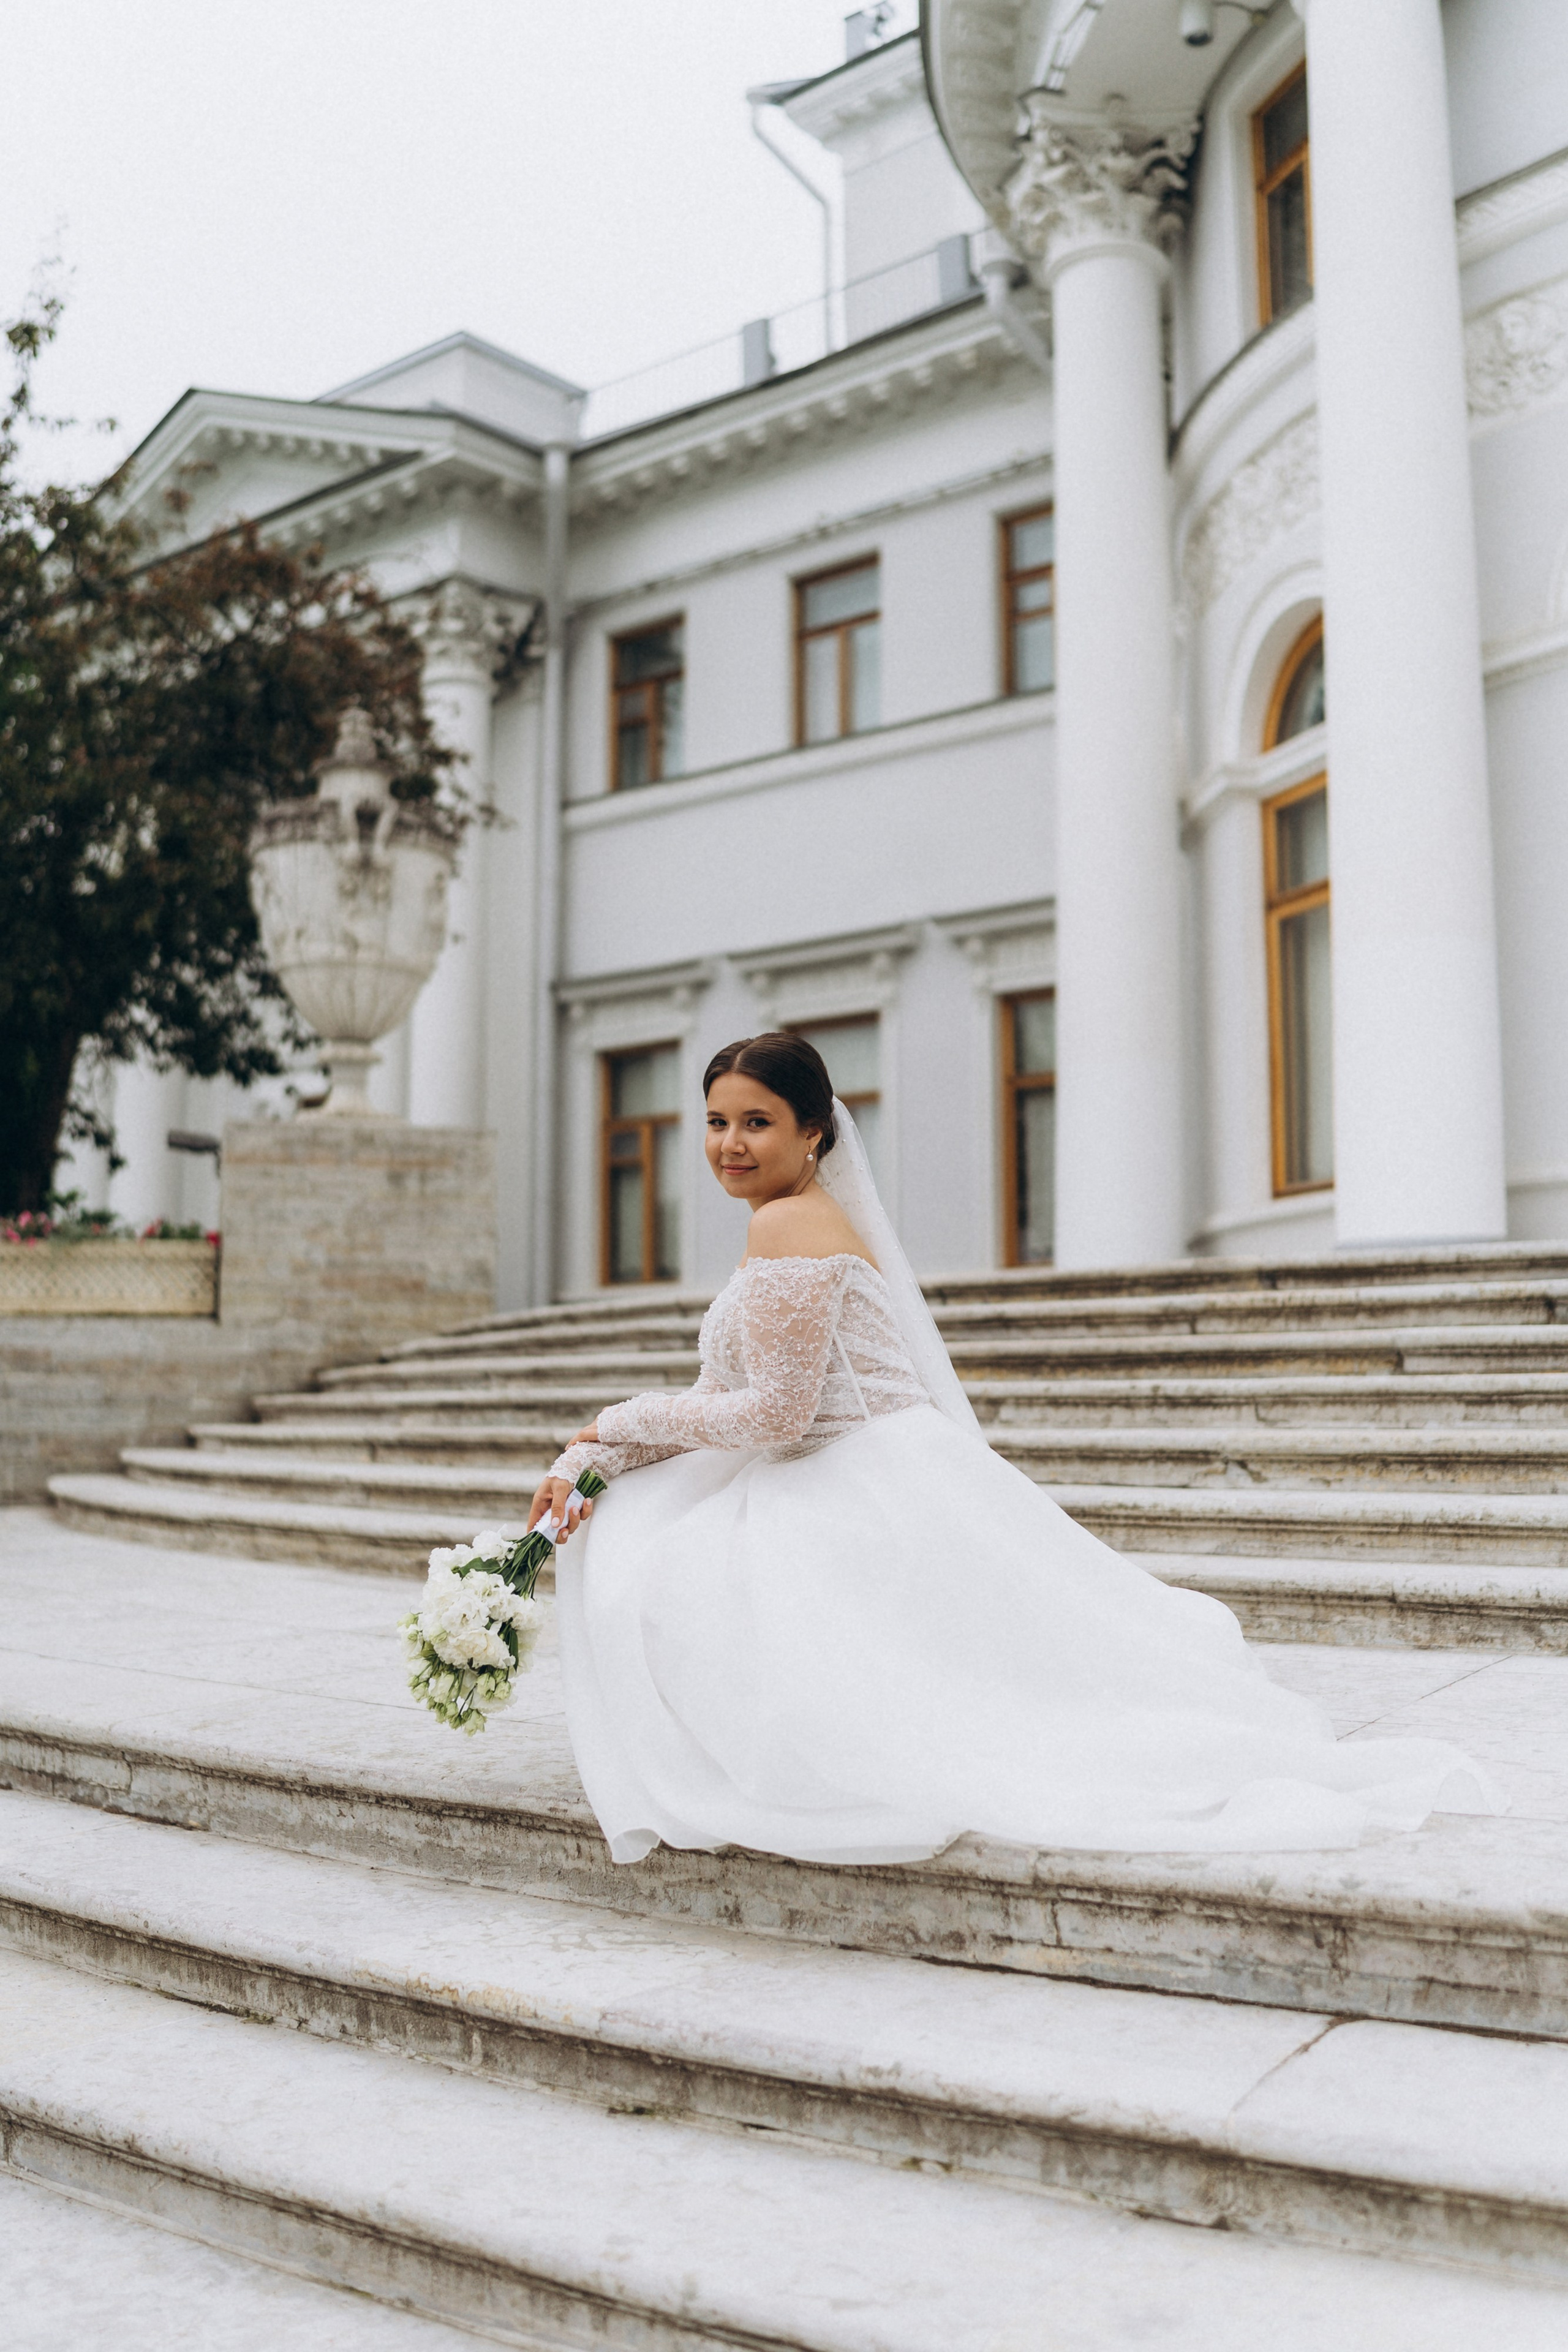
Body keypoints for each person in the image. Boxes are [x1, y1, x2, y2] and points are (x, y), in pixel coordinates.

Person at [530, 1033, 1496, 1868]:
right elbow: (727, 1404)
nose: (729, 1145)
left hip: (851, 1469)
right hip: (870, 1463)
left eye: (757, 1122)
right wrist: (600, 1461)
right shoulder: (788, 1219)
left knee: (665, 1573)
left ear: (815, 1132)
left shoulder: (789, 1222)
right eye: (715, 1121)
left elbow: (776, 1414)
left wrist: (611, 1424)